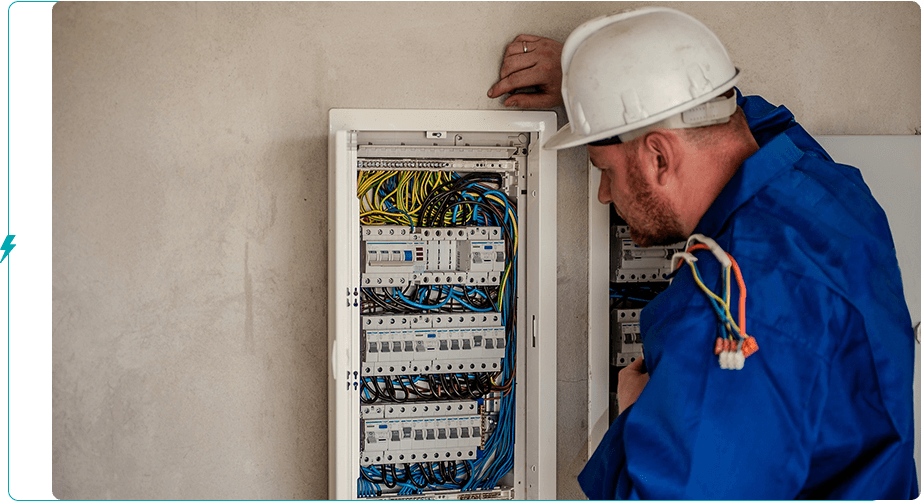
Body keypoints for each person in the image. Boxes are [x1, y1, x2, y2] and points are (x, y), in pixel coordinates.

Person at [488, 7, 918, 500]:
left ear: (658, 157)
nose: (604, 193)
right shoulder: (828, 188)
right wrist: (595, 84)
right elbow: (742, 117)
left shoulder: (729, 309)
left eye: (603, 169)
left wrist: (634, 419)